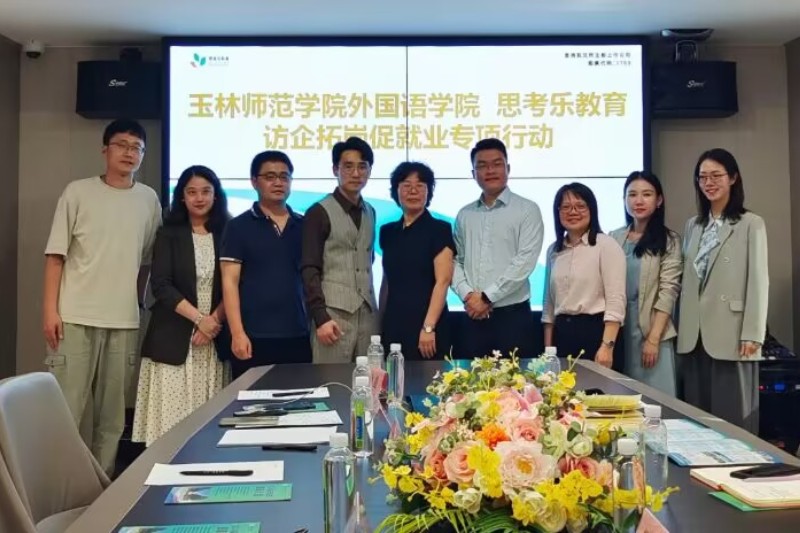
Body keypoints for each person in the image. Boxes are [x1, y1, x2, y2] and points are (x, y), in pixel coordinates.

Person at [42, 118, 162, 474]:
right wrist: (50, 311)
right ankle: (64, 486)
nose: (129, 153)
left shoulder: (148, 199)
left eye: (137, 148)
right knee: (68, 410)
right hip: (74, 316)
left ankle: (101, 486)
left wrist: (137, 302)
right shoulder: (77, 192)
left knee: (112, 417)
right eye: (122, 145)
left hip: (123, 321)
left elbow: (147, 260)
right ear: (105, 150)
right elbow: (55, 256)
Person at [132, 166, 231, 446]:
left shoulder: (228, 232)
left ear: (216, 195)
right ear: (182, 197)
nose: (199, 198)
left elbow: (235, 284)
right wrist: (200, 320)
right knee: (170, 427)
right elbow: (161, 285)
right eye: (192, 192)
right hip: (174, 336)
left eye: (206, 191)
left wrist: (213, 322)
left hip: (213, 339)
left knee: (208, 428)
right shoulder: (169, 233)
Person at [677, 148, 768, 433]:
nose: (709, 183)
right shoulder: (694, 225)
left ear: (733, 178)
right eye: (702, 177)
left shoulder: (750, 223)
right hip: (694, 334)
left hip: (733, 331)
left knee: (734, 420)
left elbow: (759, 279)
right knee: (697, 420)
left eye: (716, 175)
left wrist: (753, 333)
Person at [221, 151, 310, 378]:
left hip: (298, 334)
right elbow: (229, 282)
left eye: (284, 176)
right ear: (254, 181)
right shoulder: (238, 227)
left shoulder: (305, 225)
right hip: (253, 336)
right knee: (251, 399)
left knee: (299, 397)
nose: (278, 183)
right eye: (270, 177)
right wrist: (237, 333)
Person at [452, 138, 544, 358]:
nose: (490, 171)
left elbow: (524, 262)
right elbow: (456, 260)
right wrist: (468, 296)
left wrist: (486, 298)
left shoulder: (527, 210)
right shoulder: (465, 214)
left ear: (508, 168)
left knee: (515, 378)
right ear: (473, 173)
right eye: (482, 166)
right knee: (468, 378)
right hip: (472, 316)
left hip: (513, 318)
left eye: (496, 164)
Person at [301, 137, 378, 363]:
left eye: (362, 166)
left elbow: (366, 259)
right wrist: (320, 317)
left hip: (368, 317)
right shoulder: (318, 212)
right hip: (332, 316)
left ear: (369, 171)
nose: (356, 173)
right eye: (348, 166)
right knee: (330, 380)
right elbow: (309, 268)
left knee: (370, 379)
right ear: (335, 169)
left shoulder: (370, 212)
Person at [609, 172, 681, 394]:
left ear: (659, 200)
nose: (638, 201)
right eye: (632, 195)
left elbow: (669, 291)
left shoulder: (669, 240)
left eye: (646, 194)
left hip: (651, 329)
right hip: (619, 331)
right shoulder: (614, 237)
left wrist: (653, 339)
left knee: (656, 401)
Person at [542, 183, 626, 369]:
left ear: (592, 209)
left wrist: (607, 347)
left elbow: (616, 301)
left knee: (597, 388)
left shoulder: (606, 245)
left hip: (597, 334)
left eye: (580, 206)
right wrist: (548, 351)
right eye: (566, 207)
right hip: (562, 335)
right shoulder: (553, 250)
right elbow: (549, 305)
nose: (573, 212)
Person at [379, 162, 455, 360]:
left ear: (428, 192)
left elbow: (443, 281)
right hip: (394, 323)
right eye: (406, 185)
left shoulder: (440, 229)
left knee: (429, 378)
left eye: (420, 185)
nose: (413, 191)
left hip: (428, 325)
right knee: (393, 376)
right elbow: (387, 280)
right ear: (396, 191)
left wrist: (428, 327)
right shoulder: (388, 232)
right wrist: (380, 322)